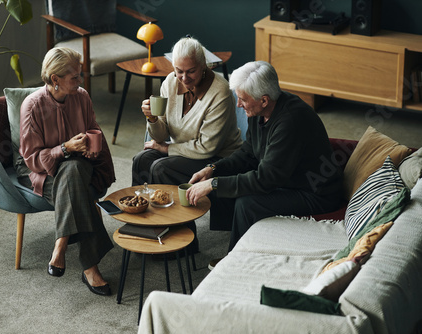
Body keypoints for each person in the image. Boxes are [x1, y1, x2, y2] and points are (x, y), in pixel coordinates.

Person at [186, 61, 343, 265]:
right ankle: (242, 236)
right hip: (287, 180)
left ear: (264, 100)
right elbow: (248, 153)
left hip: (316, 192)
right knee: (221, 182)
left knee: (247, 203)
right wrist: (213, 169)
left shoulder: (290, 122)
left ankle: (234, 261)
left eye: (242, 99)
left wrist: (214, 184)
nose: (238, 105)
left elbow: (265, 180)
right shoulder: (258, 111)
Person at [16, 47, 115, 296]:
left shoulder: (81, 97)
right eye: (74, 77)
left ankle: (61, 243)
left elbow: (94, 130)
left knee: (75, 168)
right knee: (73, 175)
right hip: (42, 172)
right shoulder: (32, 107)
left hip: (80, 167)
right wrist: (64, 148)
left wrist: (94, 147)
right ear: (55, 80)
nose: (80, 82)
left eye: (79, 75)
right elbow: (31, 159)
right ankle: (90, 267)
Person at [131, 36, 242, 252]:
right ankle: (146, 228)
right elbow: (161, 133)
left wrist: (165, 149)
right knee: (141, 160)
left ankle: (184, 241)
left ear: (204, 66)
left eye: (190, 71)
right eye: (178, 70)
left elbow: (206, 147)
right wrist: (152, 119)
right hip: (183, 150)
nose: (183, 78)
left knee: (162, 167)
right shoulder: (171, 82)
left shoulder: (220, 92)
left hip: (217, 158)